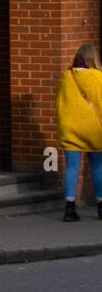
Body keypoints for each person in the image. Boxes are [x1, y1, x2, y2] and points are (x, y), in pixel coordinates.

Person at [55, 43, 102, 221]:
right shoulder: (99, 78)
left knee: (72, 168)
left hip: (71, 128)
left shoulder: (67, 77)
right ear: (94, 58)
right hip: (94, 130)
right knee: (98, 168)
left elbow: (60, 104)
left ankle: (69, 208)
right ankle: (100, 207)